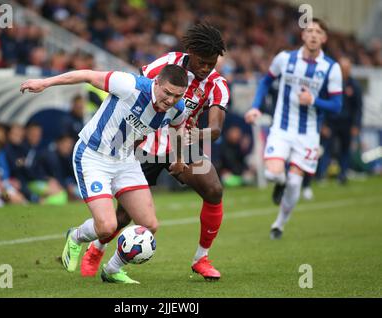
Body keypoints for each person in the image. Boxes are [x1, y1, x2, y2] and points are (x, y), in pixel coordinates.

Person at [80, 23, 230, 281]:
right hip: (146, 140)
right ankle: (97, 248)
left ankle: (201, 258)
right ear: (190, 52)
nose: (206, 68)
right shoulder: (168, 63)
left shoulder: (217, 84)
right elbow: (138, 91)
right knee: (123, 215)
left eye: (212, 63)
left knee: (214, 189)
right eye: (202, 62)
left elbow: (215, 130)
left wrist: (195, 135)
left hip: (183, 143)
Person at [20, 64, 188, 284]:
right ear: (156, 82)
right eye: (167, 92)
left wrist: (178, 158)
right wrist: (45, 82)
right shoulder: (129, 85)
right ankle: (76, 235)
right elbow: (87, 75)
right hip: (93, 156)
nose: (170, 99)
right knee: (107, 226)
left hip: (125, 161)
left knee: (149, 225)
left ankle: (111, 270)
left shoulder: (178, 108)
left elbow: (177, 128)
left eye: (177, 95)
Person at [244, 18, 343, 239]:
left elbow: (337, 107)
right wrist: (255, 107)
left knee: (296, 182)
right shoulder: (284, 59)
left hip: (308, 135)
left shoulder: (331, 68)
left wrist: (314, 100)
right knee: (272, 172)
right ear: (303, 35)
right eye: (309, 30)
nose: (313, 35)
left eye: (318, 31)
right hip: (281, 128)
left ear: (324, 38)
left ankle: (278, 224)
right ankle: (279, 182)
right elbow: (265, 81)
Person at [317, 56, 363, 184]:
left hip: (347, 123)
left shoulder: (355, 86)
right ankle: (321, 175)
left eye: (347, 68)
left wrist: (356, 125)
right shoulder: (330, 83)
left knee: (345, 150)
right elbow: (324, 103)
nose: (344, 70)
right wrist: (323, 124)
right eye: (342, 68)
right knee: (325, 148)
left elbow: (358, 107)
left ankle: (343, 175)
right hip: (331, 122)